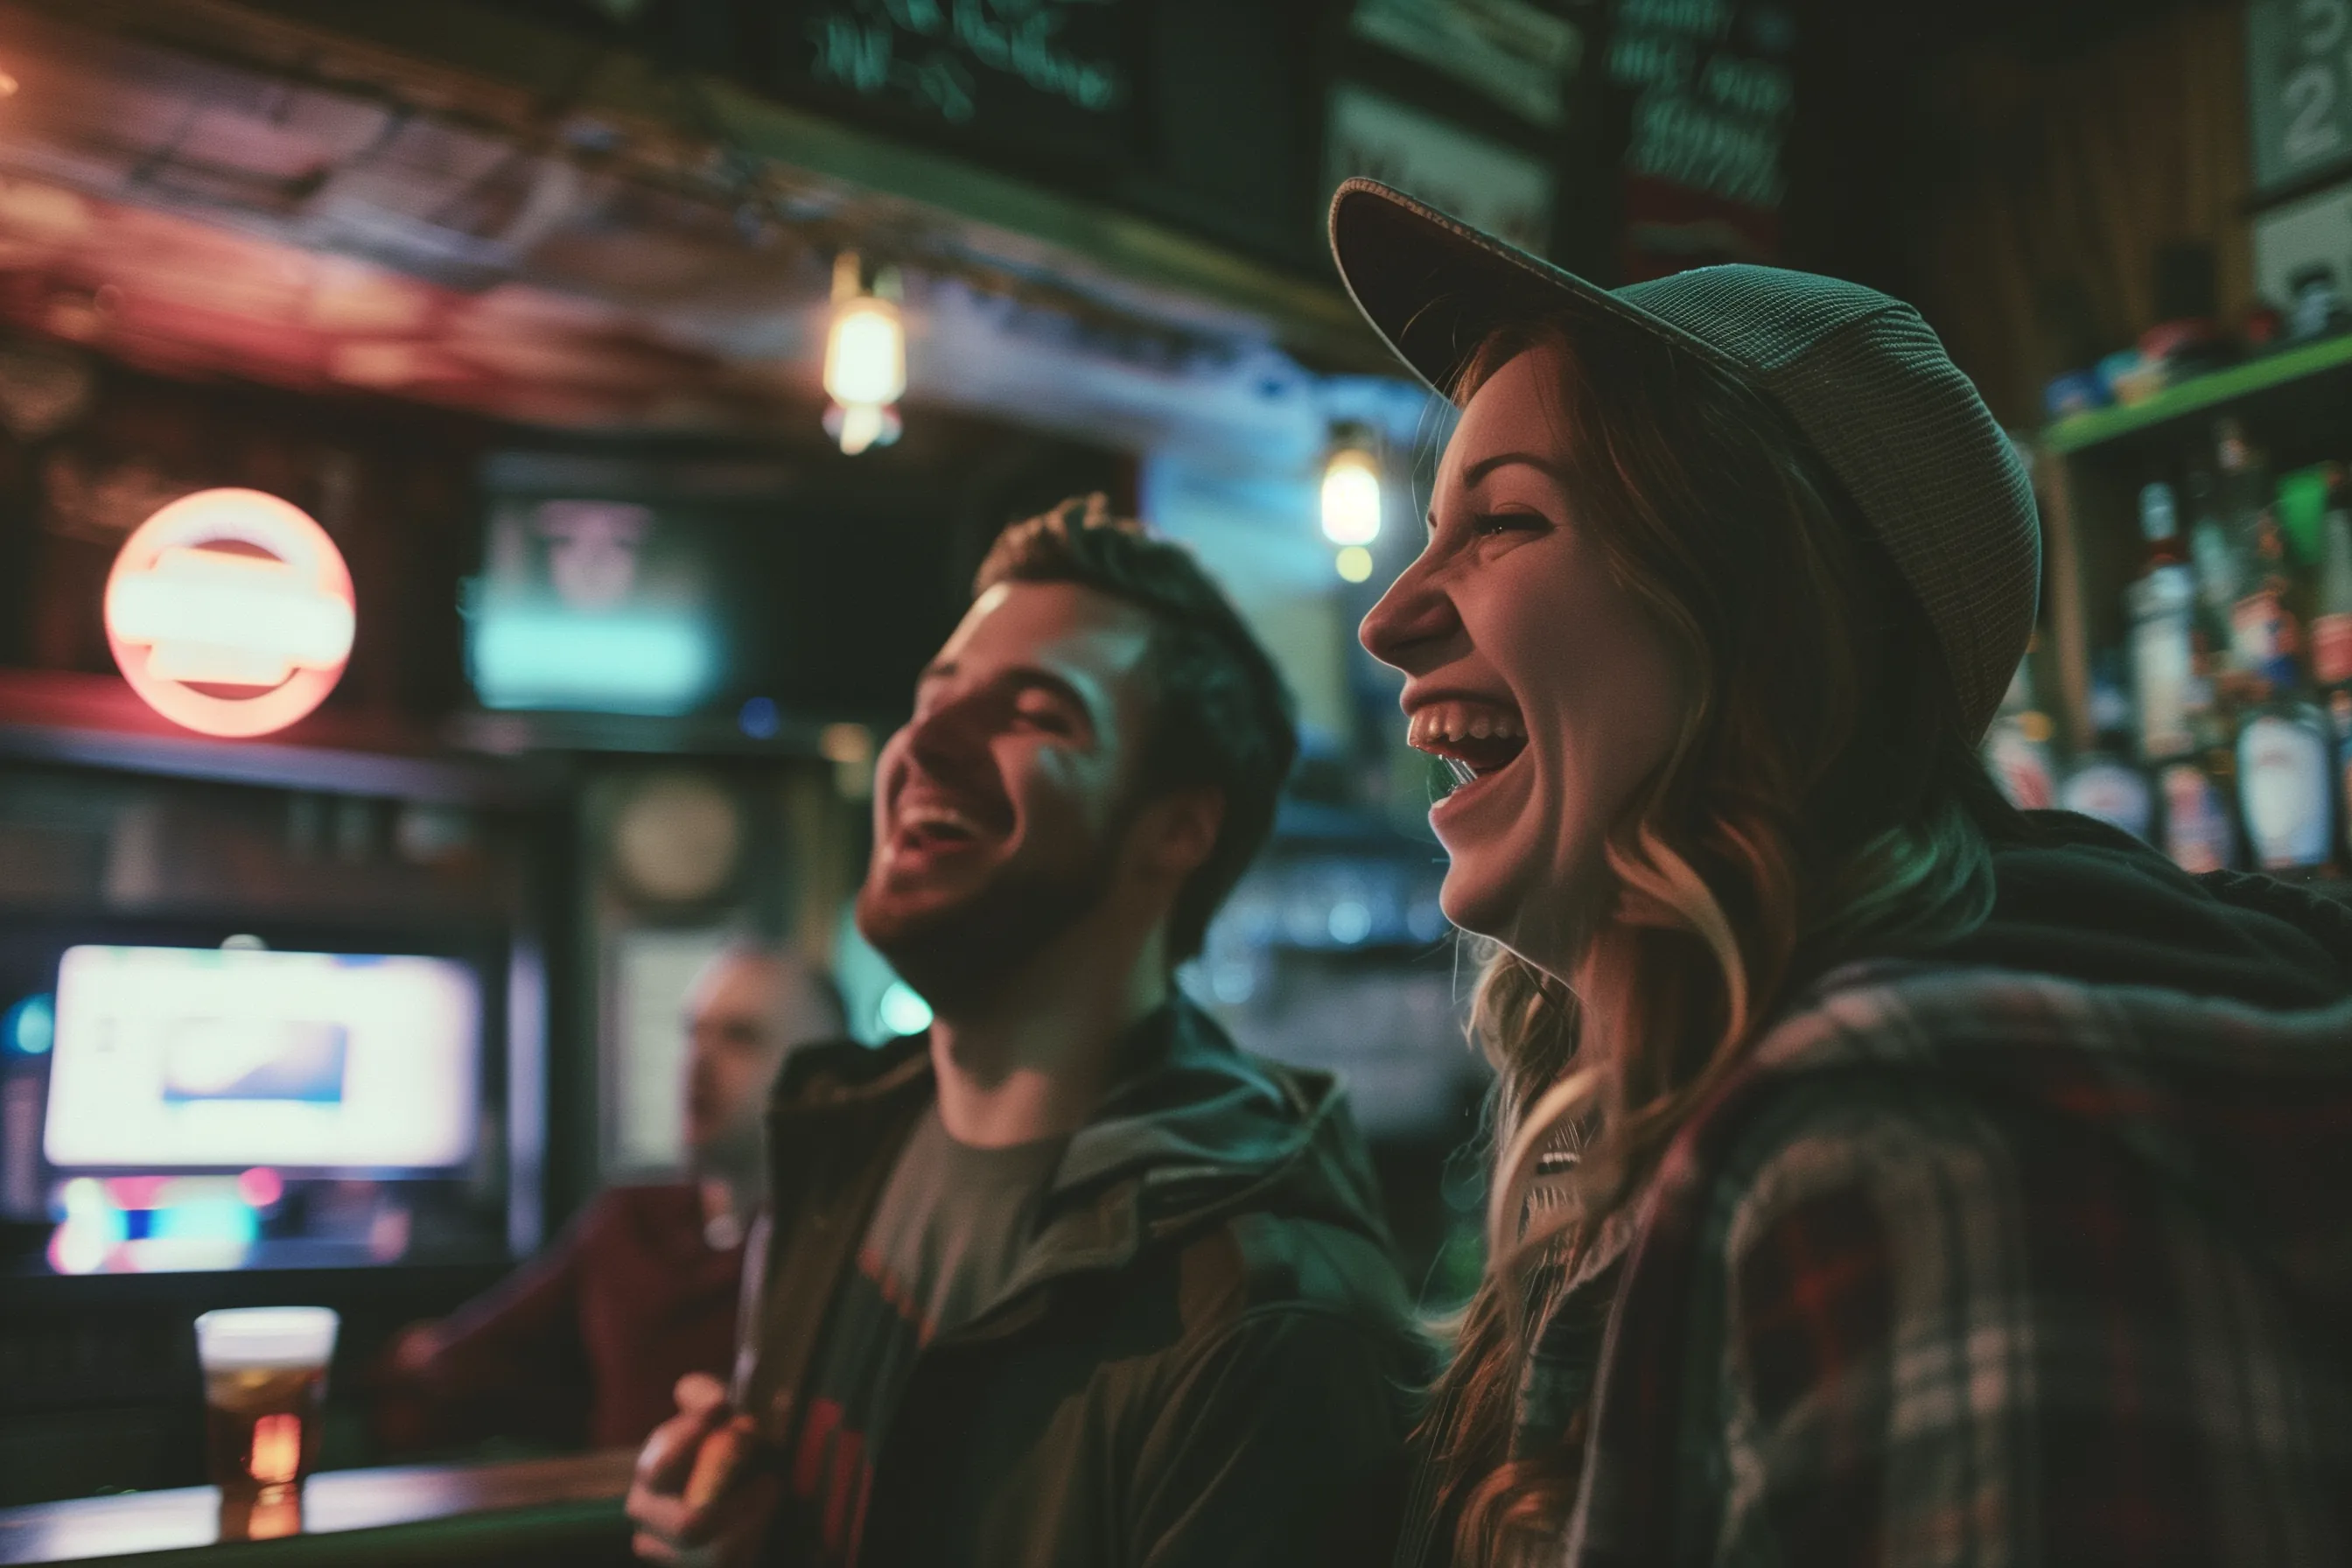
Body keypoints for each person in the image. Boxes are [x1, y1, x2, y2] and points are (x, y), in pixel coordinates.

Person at [1328, 177, 2352, 1567]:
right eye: (1428, 529)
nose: (1390, 617)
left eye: (1504, 522)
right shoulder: (1665, 1150)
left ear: (1765, 615)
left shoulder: (1912, 1156)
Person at [627, 495, 1423, 1567]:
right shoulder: (836, 1148)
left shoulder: (1266, 1320)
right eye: (935, 695)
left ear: (1178, 827)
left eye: (1038, 712)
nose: (926, 743)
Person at [378, 942, 844, 1452]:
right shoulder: (631, 1222)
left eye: (740, 1037)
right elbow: (470, 1358)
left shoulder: (841, 1249)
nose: (696, 1062)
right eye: (693, 1032)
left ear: (829, 1079)